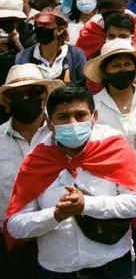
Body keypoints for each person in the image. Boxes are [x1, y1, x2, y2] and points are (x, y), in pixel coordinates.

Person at [5, 82, 136, 278]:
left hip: (112, 267)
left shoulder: (115, 146)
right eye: (63, 117)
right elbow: (15, 225)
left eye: (80, 115)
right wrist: (55, 215)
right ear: (50, 123)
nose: (73, 123)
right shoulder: (36, 160)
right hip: (57, 270)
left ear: (94, 117)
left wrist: (86, 204)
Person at [86, 38, 136, 279]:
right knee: (119, 249)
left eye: (128, 64)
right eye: (116, 66)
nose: (123, 69)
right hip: (111, 190)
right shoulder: (93, 106)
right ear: (105, 71)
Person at [0, 64, 61, 278]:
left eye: (33, 92)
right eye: (16, 94)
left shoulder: (63, 134)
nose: (25, 98)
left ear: (44, 95)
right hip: (11, 246)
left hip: (59, 236)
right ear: (6, 100)